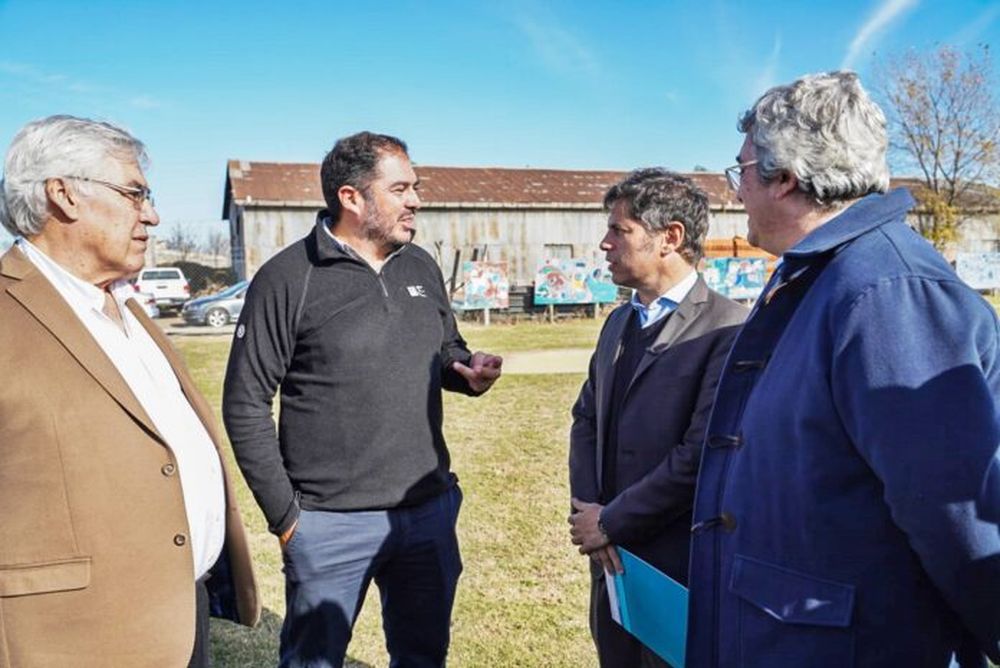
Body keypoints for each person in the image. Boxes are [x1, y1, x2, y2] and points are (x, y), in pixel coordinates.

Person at [688, 71, 1000, 667]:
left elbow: (951, 510)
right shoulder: (824, 273)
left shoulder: (885, 291)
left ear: (785, 179)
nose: (736, 191)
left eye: (744, 171)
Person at [223, 131, 503, 668]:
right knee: (314, 661)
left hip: (426, 514)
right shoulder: (287, 278)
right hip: (329, 523)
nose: (415, 200)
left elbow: (445, 345)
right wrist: (287, 517)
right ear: (351, 198)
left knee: (424, 656)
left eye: (415, 187)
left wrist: (463, 369)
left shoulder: (420, 264)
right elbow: (245, 402)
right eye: (400, 189)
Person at [0, 115, 260, 667]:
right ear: (63, 194)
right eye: (135, 193)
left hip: (178, 618)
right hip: (67, 642)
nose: (153, 214)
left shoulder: (125, 306)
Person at [568, 169, 746, 667]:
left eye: (618, 230)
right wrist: (589, 510)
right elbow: (586, 417)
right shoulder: (619, 321)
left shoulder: (728, 330)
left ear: (670, 237)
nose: (604, 244)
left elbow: (701, 453)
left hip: (678, 562)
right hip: (609, 557)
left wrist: (613, 520)